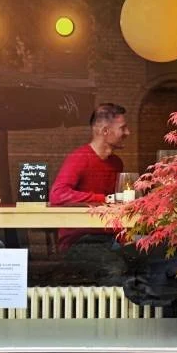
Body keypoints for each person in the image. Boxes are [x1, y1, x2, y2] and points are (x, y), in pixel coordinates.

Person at [49, 103, 131, 280]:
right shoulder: (79, 158)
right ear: (104, 131)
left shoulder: (116, 163)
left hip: (110, 238)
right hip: (79, 241)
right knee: (115, 268)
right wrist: (104, 198)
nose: (127, 133)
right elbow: (57, 195)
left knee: (146, 258)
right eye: (122, 128)